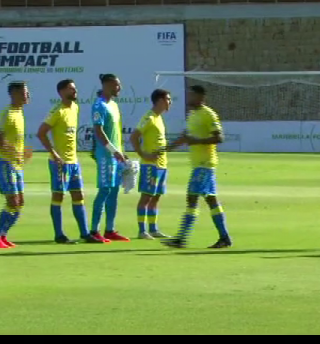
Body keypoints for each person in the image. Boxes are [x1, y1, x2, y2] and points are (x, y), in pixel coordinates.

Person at [162, 85, 232, 249]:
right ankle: (224, 237)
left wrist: (197, 141)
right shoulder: (193, 115)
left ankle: (181, 238)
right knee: (211, 200)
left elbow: (219, 137)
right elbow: (186, 137)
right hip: (200, 164)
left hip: (204, 164)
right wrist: (166, 149)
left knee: (192, 198)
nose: (189, 99)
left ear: (200, 97)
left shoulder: (209, 114)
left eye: (192, 96)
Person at [36, 79, 104, 244]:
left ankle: (85, 233)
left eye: (75, 88)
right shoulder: (56, 111)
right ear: (61, 92)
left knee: (78, 195)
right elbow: (41, 133)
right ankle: (59, 234)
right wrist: (54, 154)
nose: (75, 91)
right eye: (71, 89)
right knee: (58, 196)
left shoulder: (75, 107)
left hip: (74, 162)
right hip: (59, 163)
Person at [0, 81, 31, 249]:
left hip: (16, 164)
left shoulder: (19, 113)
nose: (27, 95)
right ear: (13, 94)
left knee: (20, 202)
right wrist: (15, 153)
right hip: (5, 162)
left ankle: (3, 235)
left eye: (27, 92)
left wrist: (20, 154)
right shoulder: (7, 113)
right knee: (12, 201)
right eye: (24, 93)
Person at [90, 74, 130, 242]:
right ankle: (93, 230)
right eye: (116, 85)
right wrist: (113, 150)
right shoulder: (99, 106)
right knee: (105, 190)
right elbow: (98, 131)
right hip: (106, 156)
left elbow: (115, 132)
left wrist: (121, 151)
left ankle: (110, 229)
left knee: (114, 191)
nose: (118, 88)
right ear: (106, 85)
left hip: (115, 156)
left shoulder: (113, 105)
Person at [129, 89, 172, 240]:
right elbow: (134, 137)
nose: (169, 102)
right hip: (150, 166)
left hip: (161, 165)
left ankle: (153, 229)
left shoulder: (159, 118)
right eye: (167, 99)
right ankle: (142, 231)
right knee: (146, 197)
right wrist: (143, 154)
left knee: (156, 197)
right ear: (159, 100)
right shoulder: (149, 118)